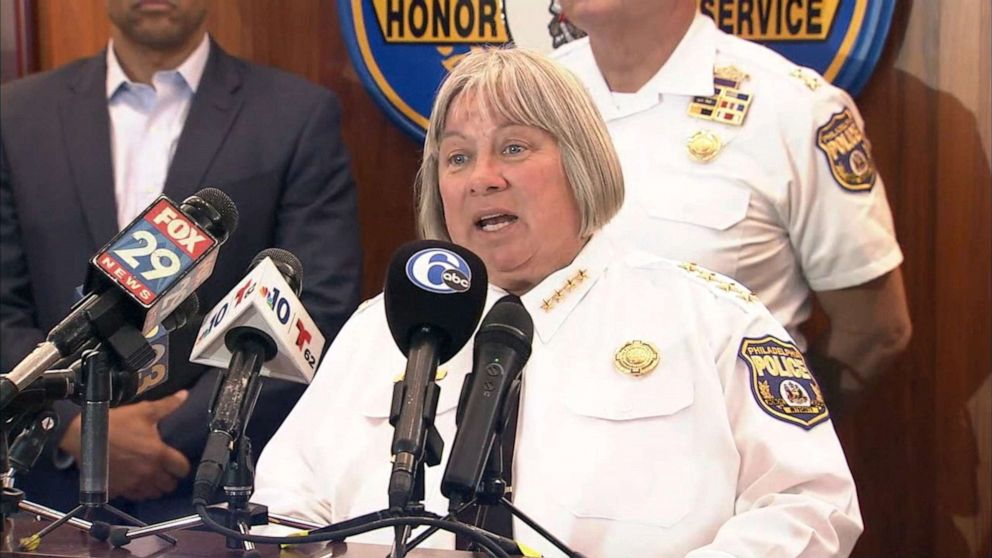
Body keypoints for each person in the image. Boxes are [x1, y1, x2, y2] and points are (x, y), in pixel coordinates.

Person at [252, 48, 862, 557]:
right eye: (458, 157)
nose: (482, 177)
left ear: (581, 163)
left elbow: (809, 504)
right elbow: (283, 503)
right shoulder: (378, 331)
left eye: (514, 148)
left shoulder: (711, 319)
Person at [0, 0, 362, 522]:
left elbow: (315, 306)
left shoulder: (296, 116)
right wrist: (77, 430)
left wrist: (171, 438)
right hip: (45, 493)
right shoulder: (16, 116)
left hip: (213, 492)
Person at [549, 1, 911, 413]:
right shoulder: (522, 98)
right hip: (537, 457)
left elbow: (874, 330)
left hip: (718, 465)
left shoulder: (793, 107)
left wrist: (770, 441)